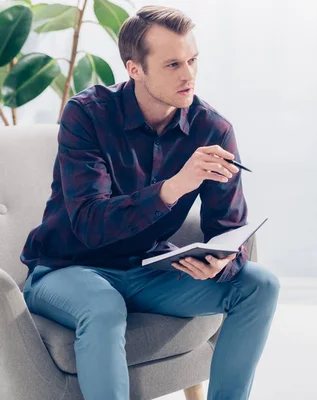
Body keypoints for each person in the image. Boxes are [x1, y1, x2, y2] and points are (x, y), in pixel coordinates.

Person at [20, 6, 279, 400]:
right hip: (66, 266)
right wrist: (173, 187)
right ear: (134, 69)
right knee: (104, 306)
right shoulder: (86, 116)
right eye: (173, 63)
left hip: (147, 267)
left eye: (192, 60)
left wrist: (222, 260)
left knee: (260, 284)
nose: (188, 74)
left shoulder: (213, 129)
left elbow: (228, 227)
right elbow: (90, 225)